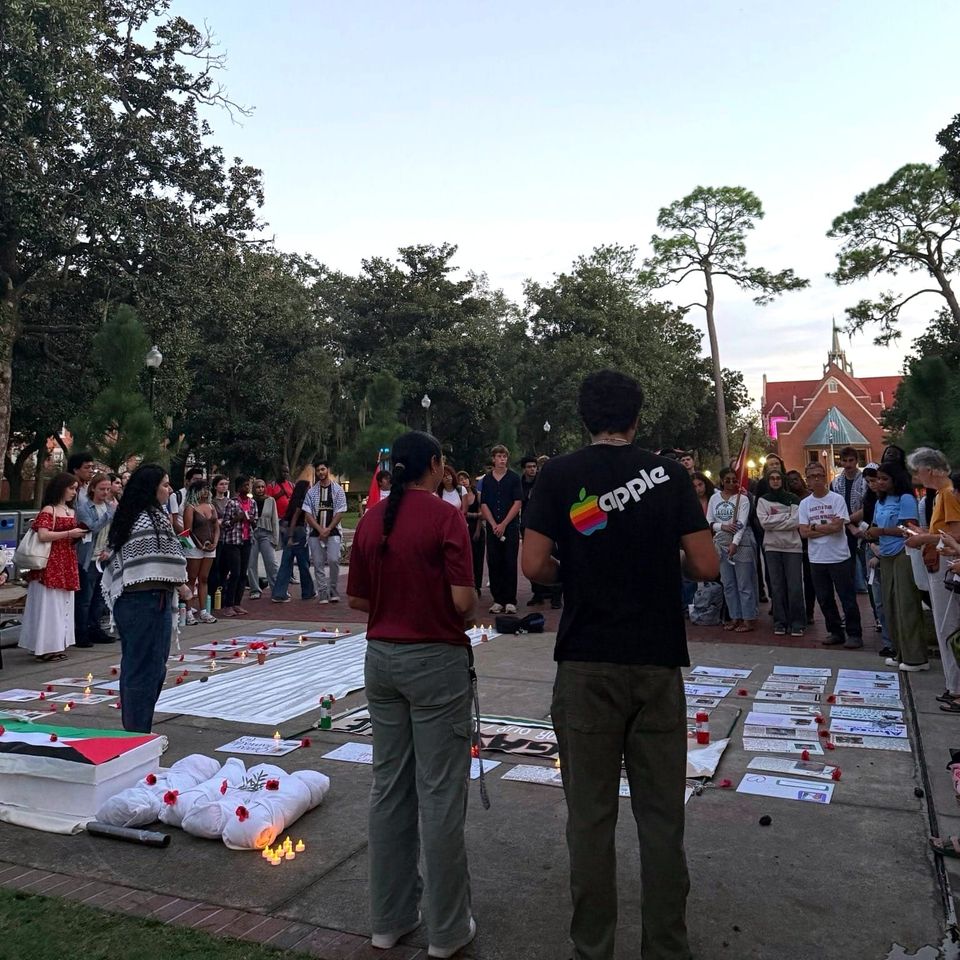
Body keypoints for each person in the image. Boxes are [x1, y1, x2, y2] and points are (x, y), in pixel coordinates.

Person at [520, 369, 718, 960]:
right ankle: (666, 946)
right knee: (662, 819)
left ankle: (593, 947)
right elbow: (706, 565)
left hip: (585, 661)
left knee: (590, 818)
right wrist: (667, 564)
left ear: (585, 417)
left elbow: (533, 565)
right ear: (637, 417)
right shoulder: (670, 474)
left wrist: (573, 573)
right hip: (656, 661)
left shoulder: (558, 474)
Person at [346, 431, 477, 959]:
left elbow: (357, 597)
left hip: (382, 658)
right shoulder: (447, 517)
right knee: (441, 792)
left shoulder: (373, 519)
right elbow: (465, 600)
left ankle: (389, 918)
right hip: (434, 660)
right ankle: (447, 930)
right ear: (437, 465)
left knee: (390, 787)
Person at [101, 464, 190, 732]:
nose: (169, 489)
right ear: (151, 488)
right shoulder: (150, 518)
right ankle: (137, 733)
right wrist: (182, 585)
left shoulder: (131, 515)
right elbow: (165, 559)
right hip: (147, 601)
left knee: (142, 668)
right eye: (164, 484)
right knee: (146, 670)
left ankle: (137, 729)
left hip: (136, 601)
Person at [905, 448, 960, 695]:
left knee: (948, 626)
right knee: (943, 625)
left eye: (918, 471)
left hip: (946, 565)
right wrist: (923, 533)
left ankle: (956, 686)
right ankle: (952, 684)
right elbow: (942, 530)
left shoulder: (948, 494)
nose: (917, 476)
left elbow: (955, 534)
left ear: (929, 469)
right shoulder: (939, 495)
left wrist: (924, 538)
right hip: (937, 562)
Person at [18, 472, 86, 662]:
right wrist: (69, 533)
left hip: (65, 559)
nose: (74, 492)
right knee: (49, 603)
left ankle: (56, 644)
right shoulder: (49, 510)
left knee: (62, 602)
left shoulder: (70, 511)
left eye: (76, 489)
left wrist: (75, 535)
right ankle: (45, 646)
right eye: (71, 488)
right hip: (50, 560)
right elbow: (43, 535)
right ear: (60, 488)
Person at [867, 463, 928, 671]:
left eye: (885, 479)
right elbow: (874, 525)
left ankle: (916, 657)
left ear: (895, 479)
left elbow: (909, 529)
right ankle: (899, 651)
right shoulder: (881, 501)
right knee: (890, 604)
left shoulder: (906, 498)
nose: (880, 483)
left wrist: (882, 531)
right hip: (886, 555)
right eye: (878, 479)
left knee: (906, 605)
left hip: (904, 553)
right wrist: (872, 534)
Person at [798, 461, 862, 648]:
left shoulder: (836, 500)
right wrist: (825, 528)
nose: (816, 479)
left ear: (825, 477)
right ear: (807, 480)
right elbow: (803, 532)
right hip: (817, 557)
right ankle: (835, 631)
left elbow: (837, 527)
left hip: (839, 556)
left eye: (819, 475)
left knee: (847, 597)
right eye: (811, 476)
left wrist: (815, 527)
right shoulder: (805, 504)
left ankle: (854, 633)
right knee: (824, 598)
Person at [707, 468, 757, 632]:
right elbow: (709, 521)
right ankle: (735, 616)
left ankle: (748, 617)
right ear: (721, 481)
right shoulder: (714, 499)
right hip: (721, 542)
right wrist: (723, 526)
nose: (730, 483)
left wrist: (735, 543)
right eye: (727, 480)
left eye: (733, 480)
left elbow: (741, 524)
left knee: (744, 583)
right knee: (728, 583)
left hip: (741, 543)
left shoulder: (742, 499)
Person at [757, 469, 805, 636]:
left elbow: (796, 521)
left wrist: (774, 520)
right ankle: (780, 621)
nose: (776, 481)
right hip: (772, 547)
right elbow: (764, 523)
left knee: (795, 586)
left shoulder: (794, 499)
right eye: (772, 478)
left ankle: (798, 621)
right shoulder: (763, 500)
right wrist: (785, 518)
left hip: (793, 547)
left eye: (778, 478)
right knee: (777, 586)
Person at [74, 471, 117, 645]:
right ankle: (81, 631)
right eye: (101, 489)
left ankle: (95, 628)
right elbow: (90, 528)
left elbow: (114, 533)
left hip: (103, 556)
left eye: (108, 489)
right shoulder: (85, 508)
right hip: (88, 558)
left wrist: (109, 550)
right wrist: (108, 516)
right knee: (86, 597)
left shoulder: (110, 508)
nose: (105, 493)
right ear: (93, 489)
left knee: (99, 596)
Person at [480, 444, 522, 615]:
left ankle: (510, 600)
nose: (502, 460)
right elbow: (484, 504)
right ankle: (498, 599)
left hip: (510, 526)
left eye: (504, 456)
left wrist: (504, 524)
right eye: (499, 456)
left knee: (510, 562)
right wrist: (493, 524)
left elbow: (517, 502)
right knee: (494, 562)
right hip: (492, 527)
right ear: (493, 459)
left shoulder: (513, 478)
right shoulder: (487, 480)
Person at [303, 458, 347, 604]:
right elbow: (308, 514)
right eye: (318, 470)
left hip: (333, 532)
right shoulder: (312, 492)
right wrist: (319, 529)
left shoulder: (337, 490)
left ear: (328, 470)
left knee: (334, 560)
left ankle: (333, 590)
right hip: (315, 534)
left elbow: (340, 511)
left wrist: (328, 529)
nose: (320, 472)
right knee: (318, 563)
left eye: (323, 469)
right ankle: (322, 592)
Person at [270, 480, 316, 603]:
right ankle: (308, 591)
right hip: (297, 532)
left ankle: (279, 593)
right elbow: (295, 518)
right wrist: (291, 536)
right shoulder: (302, 502)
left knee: (286, 564)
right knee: (303, 563)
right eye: (309, 488)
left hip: (287, 531)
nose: (310, 490)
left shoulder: (293, 501)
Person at [181, 479, 219, 623]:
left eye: (207, 488)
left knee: (204, 578)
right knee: (192, 578)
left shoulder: (211, 506)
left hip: (209, 546)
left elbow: (216, 527)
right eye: (202, 489)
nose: (205, 491)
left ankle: (203, 611)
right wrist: (198, 544)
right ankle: (189, 611)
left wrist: (215, 542)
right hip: (194, 547)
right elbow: (187, 531)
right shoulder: (190, 508)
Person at [219, 475, 258, 618]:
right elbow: (225, 523)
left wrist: (252, 520)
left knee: (243, 573)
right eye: (244, 486)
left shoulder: (252, 502)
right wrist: (237, 518)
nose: (247, 488)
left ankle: (237, 603)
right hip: (233, 541)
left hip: (247, 540)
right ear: (238, 488)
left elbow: (255, 522)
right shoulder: (232, 503)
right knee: (234, 573)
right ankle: (228, 604)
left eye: (248, 485)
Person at [786, 470, 817, 624]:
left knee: (809, 579)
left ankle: (810, 611)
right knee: (794, 579)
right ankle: (795, 610)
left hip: (809, 543)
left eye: (796, 479)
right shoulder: (788, 499)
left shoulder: (810, 497)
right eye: (790, 480)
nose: (794, 482)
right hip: (791, 543)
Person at [248, 478, 280, 600]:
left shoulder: (270, 501)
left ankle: (276, 589)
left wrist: (275, 539)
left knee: (271, 563)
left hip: (266, 534)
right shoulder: (250, 502)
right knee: (251, 563)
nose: (260, 489)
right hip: (253, 534)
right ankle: (255, 589)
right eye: (258, 487)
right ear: (254, 489)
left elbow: (275, 520)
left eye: (262, 487)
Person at [458, 469, 485, 598]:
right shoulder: (458, 496)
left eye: (465, 478)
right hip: (463, 528)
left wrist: (478, 530)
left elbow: (482, 514)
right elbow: (460, 512)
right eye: (460, 479)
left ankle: (477, 586)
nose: (463, 481)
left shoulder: (477, 494)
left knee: (478, 558)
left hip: (477, 528)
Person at [168, 466, 204, 534]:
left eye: (200, 479)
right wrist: (189, 537)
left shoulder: (203, 497)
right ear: (187, 481)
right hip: (184, 537)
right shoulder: (176, 496)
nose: (199, 482)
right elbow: (175, 522)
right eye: (195, 479)